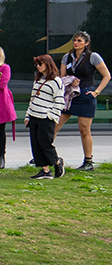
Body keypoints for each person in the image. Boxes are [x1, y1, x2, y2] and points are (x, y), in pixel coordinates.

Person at [57, 31, 110, 172]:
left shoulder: (93, 57)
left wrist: (96, 92)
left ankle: (88, 161)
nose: (76, 43)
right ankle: (45, 155)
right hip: (70, 95)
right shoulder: (66, 57)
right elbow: (62, 76)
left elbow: (107, 76)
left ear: (86, 43)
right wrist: (69, 81)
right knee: (55, 124)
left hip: (86, 94)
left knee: (84, 129)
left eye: (80, 41)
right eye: (75, 40)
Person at [27, 55, 66, 179]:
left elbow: (59, 101)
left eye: (40, 64)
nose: (38, 66)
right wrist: (28, 115)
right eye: (37, 64)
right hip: (34, 115)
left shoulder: (56, 81)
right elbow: (32, 98)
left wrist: (52, 116)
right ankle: (45, 170)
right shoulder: (38, 80)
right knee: (35, 143)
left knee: (45, 143)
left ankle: (57, 162)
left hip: (46, 117)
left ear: (48, 64)